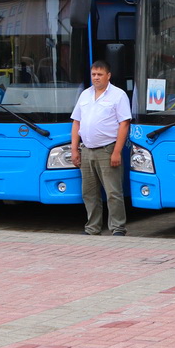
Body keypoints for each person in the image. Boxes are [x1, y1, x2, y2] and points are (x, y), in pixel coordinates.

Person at [70, 61, 131, 236]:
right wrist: (74, 149)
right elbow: (76, 122)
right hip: (87, 150)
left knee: (113, 192)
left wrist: (117, 151)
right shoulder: (85, 95)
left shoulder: (118, 95)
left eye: (100, 74)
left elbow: (124, 124)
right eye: (94, 74)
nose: (96, 77)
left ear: (108, 75)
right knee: (89, 193)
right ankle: (92, 227)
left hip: (108, 150)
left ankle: (118, 228)